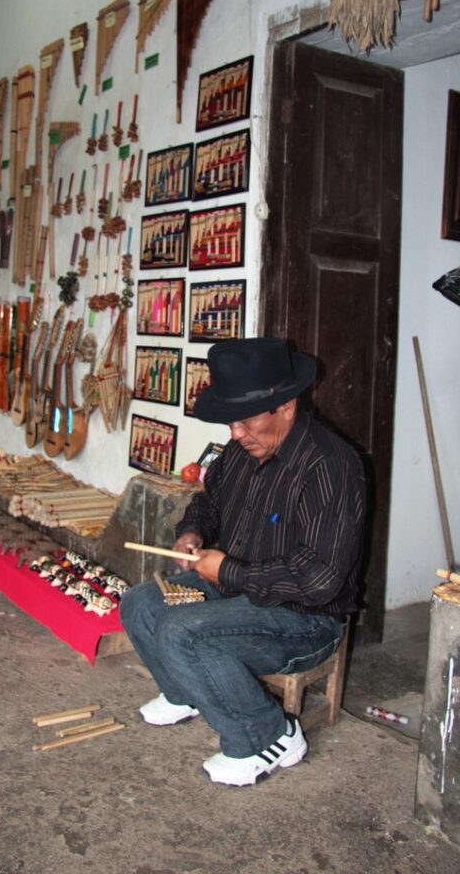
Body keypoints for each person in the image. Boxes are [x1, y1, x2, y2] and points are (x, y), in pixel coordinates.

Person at [119, 336, 365, 787]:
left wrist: (228, 570)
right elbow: (207, 505)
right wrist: (191, 534)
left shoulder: (331, 466)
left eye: (247, 420)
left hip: (304, 618)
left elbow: (321, 579)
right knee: (140, 604)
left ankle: (269, 734)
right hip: (235, 590)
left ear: (287, 406)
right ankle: (186, 692)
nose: (236, 432)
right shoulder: (239, 451)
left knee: (182, 632)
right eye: (232, 420)